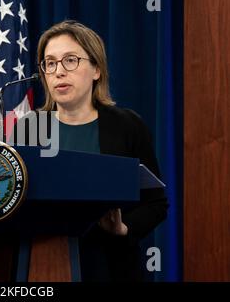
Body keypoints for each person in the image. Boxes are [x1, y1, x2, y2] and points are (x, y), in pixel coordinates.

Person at [11, 20, 168, 281]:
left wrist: (123, 228)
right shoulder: (29, 127)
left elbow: (156, 203)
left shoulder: (127, 125)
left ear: (96, 68)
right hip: (43, 265)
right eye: (49, 63)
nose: (58, 72)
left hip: (112, 265)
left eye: (70, 60)